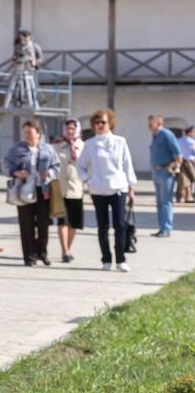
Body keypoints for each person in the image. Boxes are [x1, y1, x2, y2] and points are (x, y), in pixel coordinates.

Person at [76, 109, 137, 271]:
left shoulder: (120, 142)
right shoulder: (89, 144)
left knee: (120, 225)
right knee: (102, 226)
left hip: (118, 189)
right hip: (98, 190)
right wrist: (88, 180)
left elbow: (127, 165)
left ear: (110, 123)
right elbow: (80, 167)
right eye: (96, 123)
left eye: (103, 122)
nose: (100, 125)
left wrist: (131, 188)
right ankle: (106, 260)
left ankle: (121, 260)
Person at [3, 120, 60, 266]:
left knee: (43, 223)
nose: (27, 135)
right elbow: (6, 164)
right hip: (23, 189)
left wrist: (50, 172)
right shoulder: (17, 149)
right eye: (25, 132)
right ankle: (29, 256)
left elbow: (57, 166)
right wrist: (15, 172)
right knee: (26, 224)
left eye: (30, 132)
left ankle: (42, 253)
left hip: (43, 190)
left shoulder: (48, 148)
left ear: (38, 134)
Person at [53, 118, 85, 262]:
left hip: (76, 188)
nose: (70, 131)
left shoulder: (83, 146)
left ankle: (68, 248)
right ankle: (65, 251)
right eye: (67, 129)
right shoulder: (57, 146)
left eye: (73, 128)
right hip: (60, 188)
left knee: (74, 223)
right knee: (62, 221)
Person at [148, 114, 183, 237]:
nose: (149, 126)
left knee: (166, 201)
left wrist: (173, 168)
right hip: (156, 172)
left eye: (151, 123)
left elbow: (178, 155)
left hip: (165, 172)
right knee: (159, 202)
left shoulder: (166, 134)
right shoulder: (155, 136)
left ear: (158, 123)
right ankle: (161, 227)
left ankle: (166, 228)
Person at [177, 125, 195, 203]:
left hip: (180, 161)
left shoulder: (179, 140)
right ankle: (188, 197)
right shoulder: (192, 142)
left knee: (182, 180)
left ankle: (181, 197)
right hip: (190, 162)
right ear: (190, 132)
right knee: (190, 180)